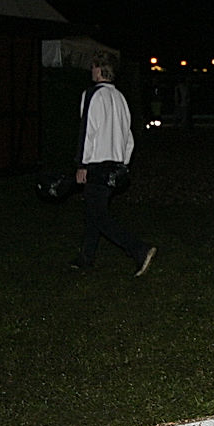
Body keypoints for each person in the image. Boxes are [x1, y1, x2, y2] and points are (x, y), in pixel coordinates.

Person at [71, 51, 156, 277]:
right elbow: (129, 137)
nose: (91, 70)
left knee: (99, 216)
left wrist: (82, 164)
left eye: (92, 66)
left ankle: (139, 249)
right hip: (114, 166)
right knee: (94, 212)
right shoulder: (120, 97)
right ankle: (85, 258)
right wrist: (123, 164)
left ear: (99, 69)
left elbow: (87, 132)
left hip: (97, 164)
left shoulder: (92, 95)